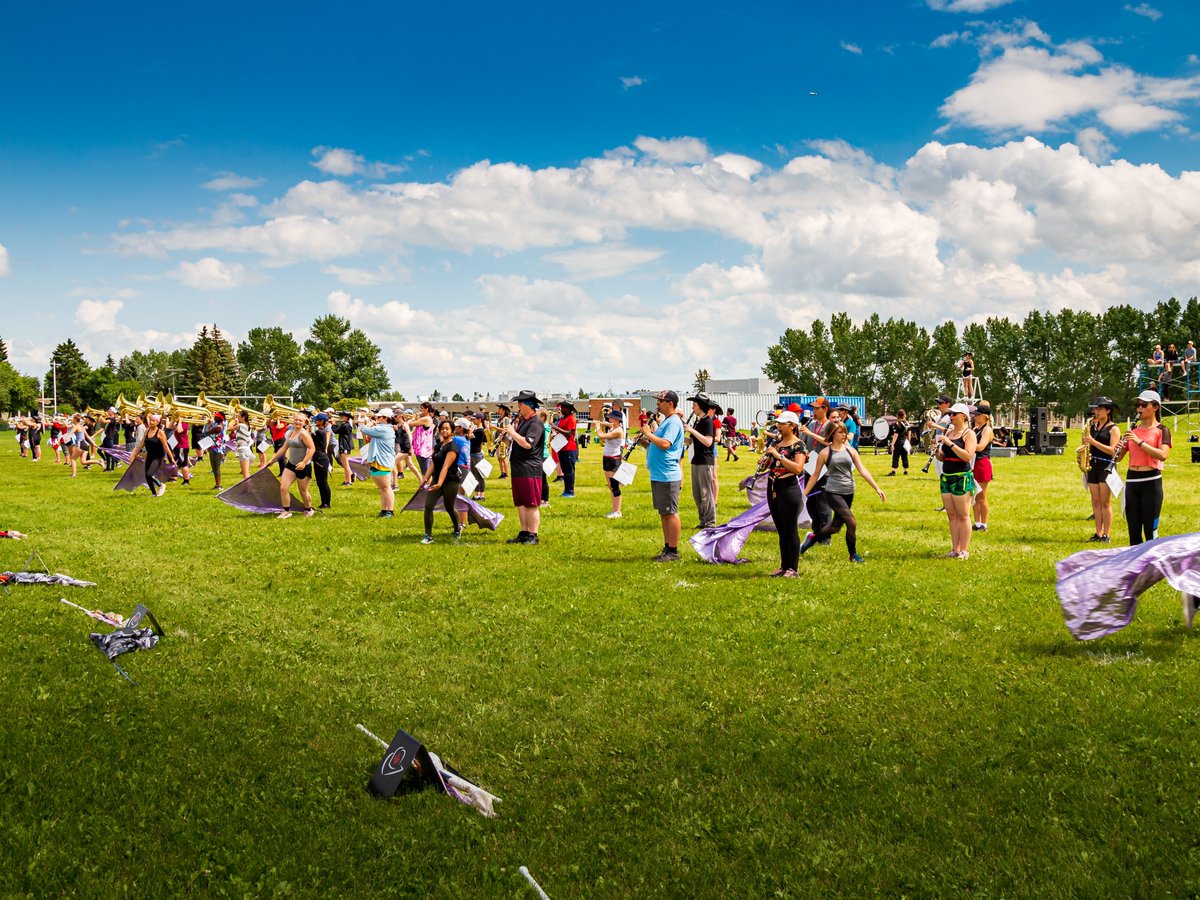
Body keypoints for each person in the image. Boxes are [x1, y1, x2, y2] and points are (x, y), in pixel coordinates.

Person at [800, 421, 885, 563]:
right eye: (840, 432)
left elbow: (862, 470)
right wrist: (804, 494)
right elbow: (815, 475)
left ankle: (812, 538)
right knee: (851, 522)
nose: (844, 435)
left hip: (849, 491)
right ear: (832, 434)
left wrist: (877, 488)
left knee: (835, 527)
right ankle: (853, 555)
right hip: (833, 492)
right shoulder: (825, 453)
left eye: (845, 432)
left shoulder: (850, 451)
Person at [1116, 389, 1171, 545]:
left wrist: (1139, 441)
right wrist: (1117, 449)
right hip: (1132, 481)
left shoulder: (1162, 430)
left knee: (1150, 532)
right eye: (1138, 405)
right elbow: (1119, 458)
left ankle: (1153, 565)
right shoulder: (1132, 431)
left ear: (1155, 407)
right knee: (1133, 531)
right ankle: (1136, 567)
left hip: (1151, 482)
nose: (1139, 408)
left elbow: (1163, 455)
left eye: (1144, 405)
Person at [761, 410, 807, 576]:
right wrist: (765, 461)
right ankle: (784, 565)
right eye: (778, 423)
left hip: (789, 489)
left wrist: (778, 456)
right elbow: (767, 466)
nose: (778, 426)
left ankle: (792, 568)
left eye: (782, 424)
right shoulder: (777, 444)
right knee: (781, 529)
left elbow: (798, 468)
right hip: (773, 487)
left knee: (790, 529)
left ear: (792, 426)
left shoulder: (798, 445)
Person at [643, 389, 686, 562]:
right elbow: (657, 444)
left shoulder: (674, 422)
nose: (657, 404)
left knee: (671, 512)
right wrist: (646, 441)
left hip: (668, 474)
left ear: (670, 403)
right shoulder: (666, 421)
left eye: (661, 401)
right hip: (659, 474)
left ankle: (673, 550)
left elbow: (666, 444)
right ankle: (667, 547)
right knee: (664, 512)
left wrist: (648, 434)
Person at [503, 390, 546, 545]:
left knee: (531, 503)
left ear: (528, 405)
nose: (518, 407)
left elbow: (528, 443)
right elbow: (517, 442)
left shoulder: (536, 423)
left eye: (520, 403)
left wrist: (513, 433)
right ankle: (524, 531)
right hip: (518, 467)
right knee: (520, 503)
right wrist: (507, 438)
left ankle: (533, 534)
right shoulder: (523, 421)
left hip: (530, 468)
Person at [937, 403, 977, 559]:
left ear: (963, 416)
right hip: (947, 475)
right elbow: (943, 456)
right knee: (951, 515)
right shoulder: (949, 431)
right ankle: (955, 548)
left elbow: (968, 455)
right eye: (950, 414)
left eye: (954, 414)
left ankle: (964, 550)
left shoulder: (969, 434)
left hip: (961, 476)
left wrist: (950, 443)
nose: (951, 417)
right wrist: (938, 451)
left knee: (963, 515)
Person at [262, 412, 316, 519]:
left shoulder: (304, 434)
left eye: (300, 420)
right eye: (296, 420)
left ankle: (309, 509)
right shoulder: (290, 432)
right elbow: (283, 448)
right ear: (293, 420)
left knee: (303, 490)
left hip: (303, 467)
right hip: (291, 465)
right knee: (283, 488)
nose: (298, 422)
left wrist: (304, 462)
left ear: (304, 422)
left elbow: (312, 448)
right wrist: (272, 460)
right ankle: (286, 511)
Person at [1082, 397, 1120, 543]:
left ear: (1108, 411)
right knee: (1095, 502)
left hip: (1106, 467)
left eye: (1099, 409)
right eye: (1095, 409)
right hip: (1092, 465)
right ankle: (1098, 532)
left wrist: (1093, 442)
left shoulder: (1114, 428)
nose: (1096, 411)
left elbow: (1112, 451)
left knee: (1105, 502)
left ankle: (1106, 534)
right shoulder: (1093, 427)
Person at [421, 420, 464, 543]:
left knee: (449, 507)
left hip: (450, 481)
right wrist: (424, 480)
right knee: (428, 506)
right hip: (436, 479)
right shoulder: (438, 446)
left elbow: (445, 467)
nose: (444, 431)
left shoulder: (453, 447)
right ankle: (428, 536)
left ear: (452, 431)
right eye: (442, 428)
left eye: (447, 429)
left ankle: (457, 529)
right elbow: (432, 464)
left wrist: (439, 484)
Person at [798, 397, 833, 544]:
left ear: (825, 409)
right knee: (811, 502)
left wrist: (810, 433)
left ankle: (825, 536)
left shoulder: (831, 425)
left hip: (825, 470)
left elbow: (829, 441)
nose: (814, 411)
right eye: (813, 408)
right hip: (810, 468)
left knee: (823, 504)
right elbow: (804, 443)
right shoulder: (811, 424)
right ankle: (816, 531)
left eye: (817, 408)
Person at [682, 393, 718, 529]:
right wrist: (680, 435)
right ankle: (702, 520)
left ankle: (710, 522)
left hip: (705, 461)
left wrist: (692, 430)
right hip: (696, 460)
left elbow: (709, 442)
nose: (693, 407)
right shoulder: (698, 421)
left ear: (701, 406)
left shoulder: (708, 421)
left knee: (706, 493)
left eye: (695, 405)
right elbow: (691, 441)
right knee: (697, 493)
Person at [361, 408, 398, 517]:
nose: (376, 418)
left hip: (383, 461)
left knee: (386, 488)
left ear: (385, 418)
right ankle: (384, 509)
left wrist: (369, 423)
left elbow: (364, 429)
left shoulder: (383, 429)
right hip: (380, 460)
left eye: (379, 417)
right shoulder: (384, 428)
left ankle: (390, 510)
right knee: (382, 488)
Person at [130, 413, 173, 497]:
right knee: (147, 476)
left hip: (158, 457)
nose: (151, 422)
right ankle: (154, 494)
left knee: (150, 474)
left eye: (153, 421)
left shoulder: (160, 433)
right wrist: (135, 452)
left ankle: (161, 485)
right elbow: (142, 443)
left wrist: (172, 458)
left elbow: (166, 446)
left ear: (157, 422)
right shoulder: (147, 431)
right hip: (150, 456)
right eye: (151, 420)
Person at [596, 406, 626, 519]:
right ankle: (614, 510)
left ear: (617, 419)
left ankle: (617, 511)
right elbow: (607, 424)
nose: (610, 419)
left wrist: (598, 427)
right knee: (610, 485)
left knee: (614, 486)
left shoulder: (618, 431)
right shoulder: (614, 427)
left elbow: (601, 436)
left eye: (612, 417)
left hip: (614, 459)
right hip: (607, 458)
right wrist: (599, 422)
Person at [971, 402, 994, 532]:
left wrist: (969, 442)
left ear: (985, 416)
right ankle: (977, 522)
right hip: (974, 462)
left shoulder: (987, 430)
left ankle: (984, 523)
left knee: (981, 495)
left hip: (982, 463)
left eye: (978, 415)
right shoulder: (977, 429)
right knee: (974, 494)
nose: (975, 417)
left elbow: (980, 447)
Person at [551, 401, 579, 498]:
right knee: (565, 470)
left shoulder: (571, 418)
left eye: (563, 408)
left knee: (569, 471)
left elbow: (570, 433)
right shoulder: (563, 418)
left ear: (568, 408)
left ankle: (570, 491)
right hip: (562, 447)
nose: (561, 409)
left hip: (569, 448)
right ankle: (566, 490)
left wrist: (556, 428)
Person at [311, 412, 334, 509]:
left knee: (323, 482)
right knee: (320, 482)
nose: (314, 421)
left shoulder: (320, 432)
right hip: (318, 457)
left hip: (321, 458)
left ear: (321, 422)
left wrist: (309, 428)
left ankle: (327, 503)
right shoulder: (320, 431)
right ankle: (323, 502)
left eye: (316, 420)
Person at [333, 411, 356, 486]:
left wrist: (333, 424)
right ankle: (349, 477)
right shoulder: (345, 425)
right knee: (345, 463)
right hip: (344, 445)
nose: (342, 417)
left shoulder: (345, 425)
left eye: (343, 416)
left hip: (345, 446)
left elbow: (335, 431)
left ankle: (348, 481)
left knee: (345, 464)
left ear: (346, 417)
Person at [233, 410, 254, 482]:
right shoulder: (248, 425)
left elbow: (229, 428)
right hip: (247, 450)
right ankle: (249, 489)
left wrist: (234, 422)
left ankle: (249, 490)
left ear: (243, 417)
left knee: (245, 474)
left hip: (243, 451)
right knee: (247, 473)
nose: (237, 417)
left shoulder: (240, 425)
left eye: (239, 416)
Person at [887, 410, 910, 476]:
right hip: (905, 442)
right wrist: (908, 441)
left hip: (898, 442)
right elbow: (909, 433)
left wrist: (892, 444)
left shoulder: (897, 424)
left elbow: (895, 435)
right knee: (904, 456)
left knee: (896, 456)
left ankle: (893, 471)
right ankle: (906, 470)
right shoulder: (907, 423)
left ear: (897, 415)